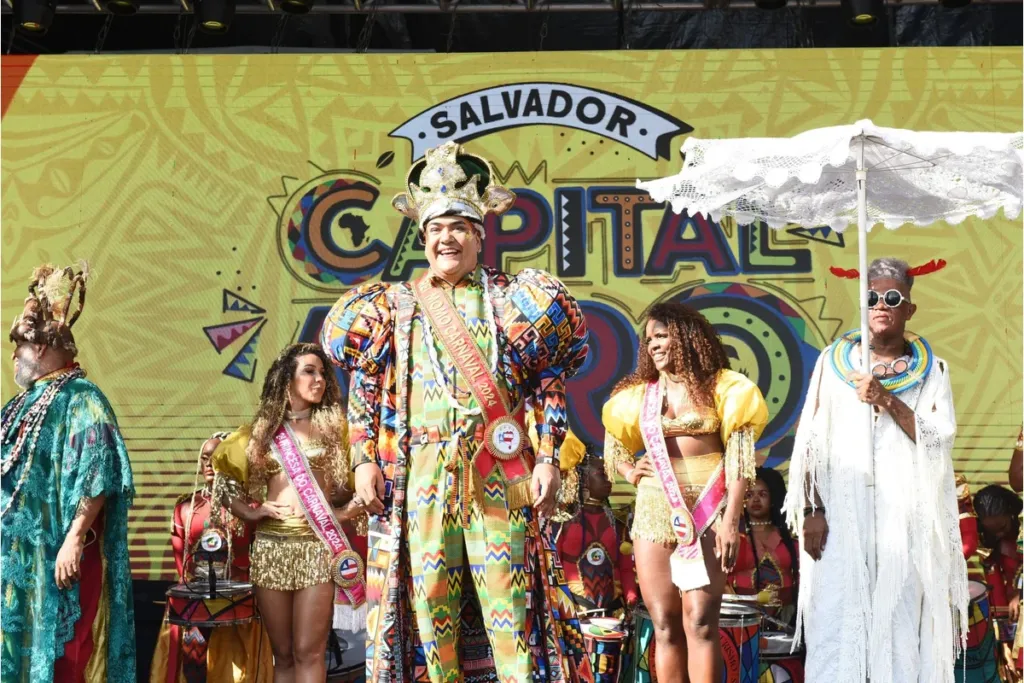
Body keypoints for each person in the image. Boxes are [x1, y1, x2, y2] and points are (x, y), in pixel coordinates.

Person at [320, 141, 592, 683]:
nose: (447, 238)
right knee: (430, 606)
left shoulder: (514, 300)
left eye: (459, 228)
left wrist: (547, 458)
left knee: (509, 609)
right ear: (423, 238)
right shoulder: (391, 305)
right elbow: (364, 388)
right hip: (421, 471)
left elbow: (548, 384)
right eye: (437, 229)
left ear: (479, 235)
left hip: (500, 472)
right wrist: (363, 459)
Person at [784, 257, 968, 683]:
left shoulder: (934, 372)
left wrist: (886, 399)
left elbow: (937, 440)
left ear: (909, 309)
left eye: (892, 298)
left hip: (903, 517)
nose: (880, 305)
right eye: (871, 298)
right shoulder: (833, 362)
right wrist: (812, 509)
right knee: (835, 619)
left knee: (898, 619)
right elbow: (810, 439)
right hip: (840, 515)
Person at [602, 302, 768, 683]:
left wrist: (731, 520)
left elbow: (739, 459)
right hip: (654, 508)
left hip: (708, 509)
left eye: (662, 336)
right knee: (664, 623)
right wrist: (630, 471)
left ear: (686, 337)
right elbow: (614, 444)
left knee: (700, 620)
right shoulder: (639, 396)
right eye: (649, 340)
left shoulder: (725, 387)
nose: (654, 345)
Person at [1, 262, 136, 682]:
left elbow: (99, 472)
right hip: (17, 560)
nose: (13, 356)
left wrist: (74, 538)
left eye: (20, 347)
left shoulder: (83, 398)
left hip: (59, 557)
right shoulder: (19, 404)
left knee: (64, 659)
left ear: (42, 348)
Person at [212, 343, 367, 683]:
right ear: (286, 379)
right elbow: (224, 485)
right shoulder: (259, 432)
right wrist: (252, 513)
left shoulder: (337, 430)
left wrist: (344, 513)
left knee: (308, 652)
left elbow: (362, 483)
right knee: (281, 655)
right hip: (271, 550)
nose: (319, 379)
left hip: (317, 549)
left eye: (322, 373)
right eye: (309, 371)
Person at [150, 433, 274, 683]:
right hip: (193, 608)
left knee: (236, 673)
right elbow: (182, 568)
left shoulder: (252, 508)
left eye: (216, 458)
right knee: (192, 671)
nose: (209, 464)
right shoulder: (185, 507)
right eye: (205, 458)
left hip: (239, 608)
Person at [551, 435, 639, 620]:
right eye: (601, 474)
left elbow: (625, 567)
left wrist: (631, 596)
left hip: (615, 612)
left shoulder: (618, 522)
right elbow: (553, 567)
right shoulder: (561, 522)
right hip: (574, 611)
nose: (609, 480)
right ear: (581, 478)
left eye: (609, 474)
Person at [974, 484, 1023, 683]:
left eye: (1002, 527)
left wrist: (1020, 593)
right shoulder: (990, 549)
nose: (999, 535)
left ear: (1012, 514)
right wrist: (1004, 643)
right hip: (1014, 617)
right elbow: (998, 597)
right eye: (992, 532)